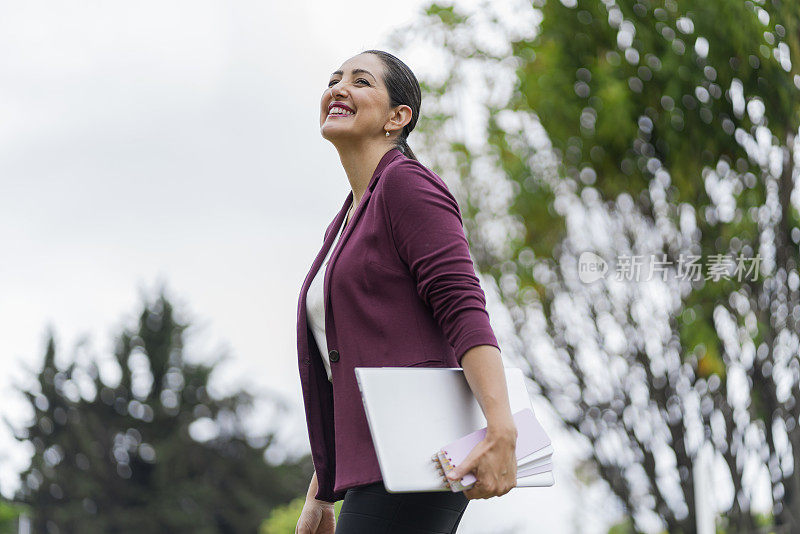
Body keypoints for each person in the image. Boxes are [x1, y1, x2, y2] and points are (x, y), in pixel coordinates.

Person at [295, 49, 518, 534]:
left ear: (398, 117)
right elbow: (352, 369)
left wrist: (501, 429)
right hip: (375, 464)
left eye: (360, 81)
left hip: (418, 459)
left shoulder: (407, 187)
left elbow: (463, 310)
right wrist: (323, 492)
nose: (339, 89)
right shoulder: (346, 220)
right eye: (334, 79)